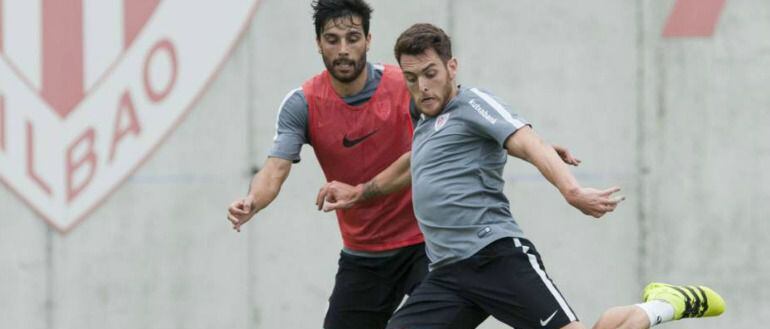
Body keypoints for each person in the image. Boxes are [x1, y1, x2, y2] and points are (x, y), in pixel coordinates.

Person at [317, 23, 725, 329]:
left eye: (430, 73)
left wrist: (572, 190)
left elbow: (526, 142)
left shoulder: (473, 104)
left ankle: (659, 306)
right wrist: (360, 192)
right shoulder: (424, 120)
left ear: (451, 66)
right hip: (447, 274)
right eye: (411, 78)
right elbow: (412, 165)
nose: (421, 87)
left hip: (495, 257)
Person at [226, 1, 580, 328]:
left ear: (368, 39)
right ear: (318, 43)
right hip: (363, 253)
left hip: (424, 248)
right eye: (332, 40)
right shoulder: (302, 103)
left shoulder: (409, 84)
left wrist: (539, 146)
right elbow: (274, 169)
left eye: (352, 38)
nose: (344, 49)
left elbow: (474, 123)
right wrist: (252, 201)